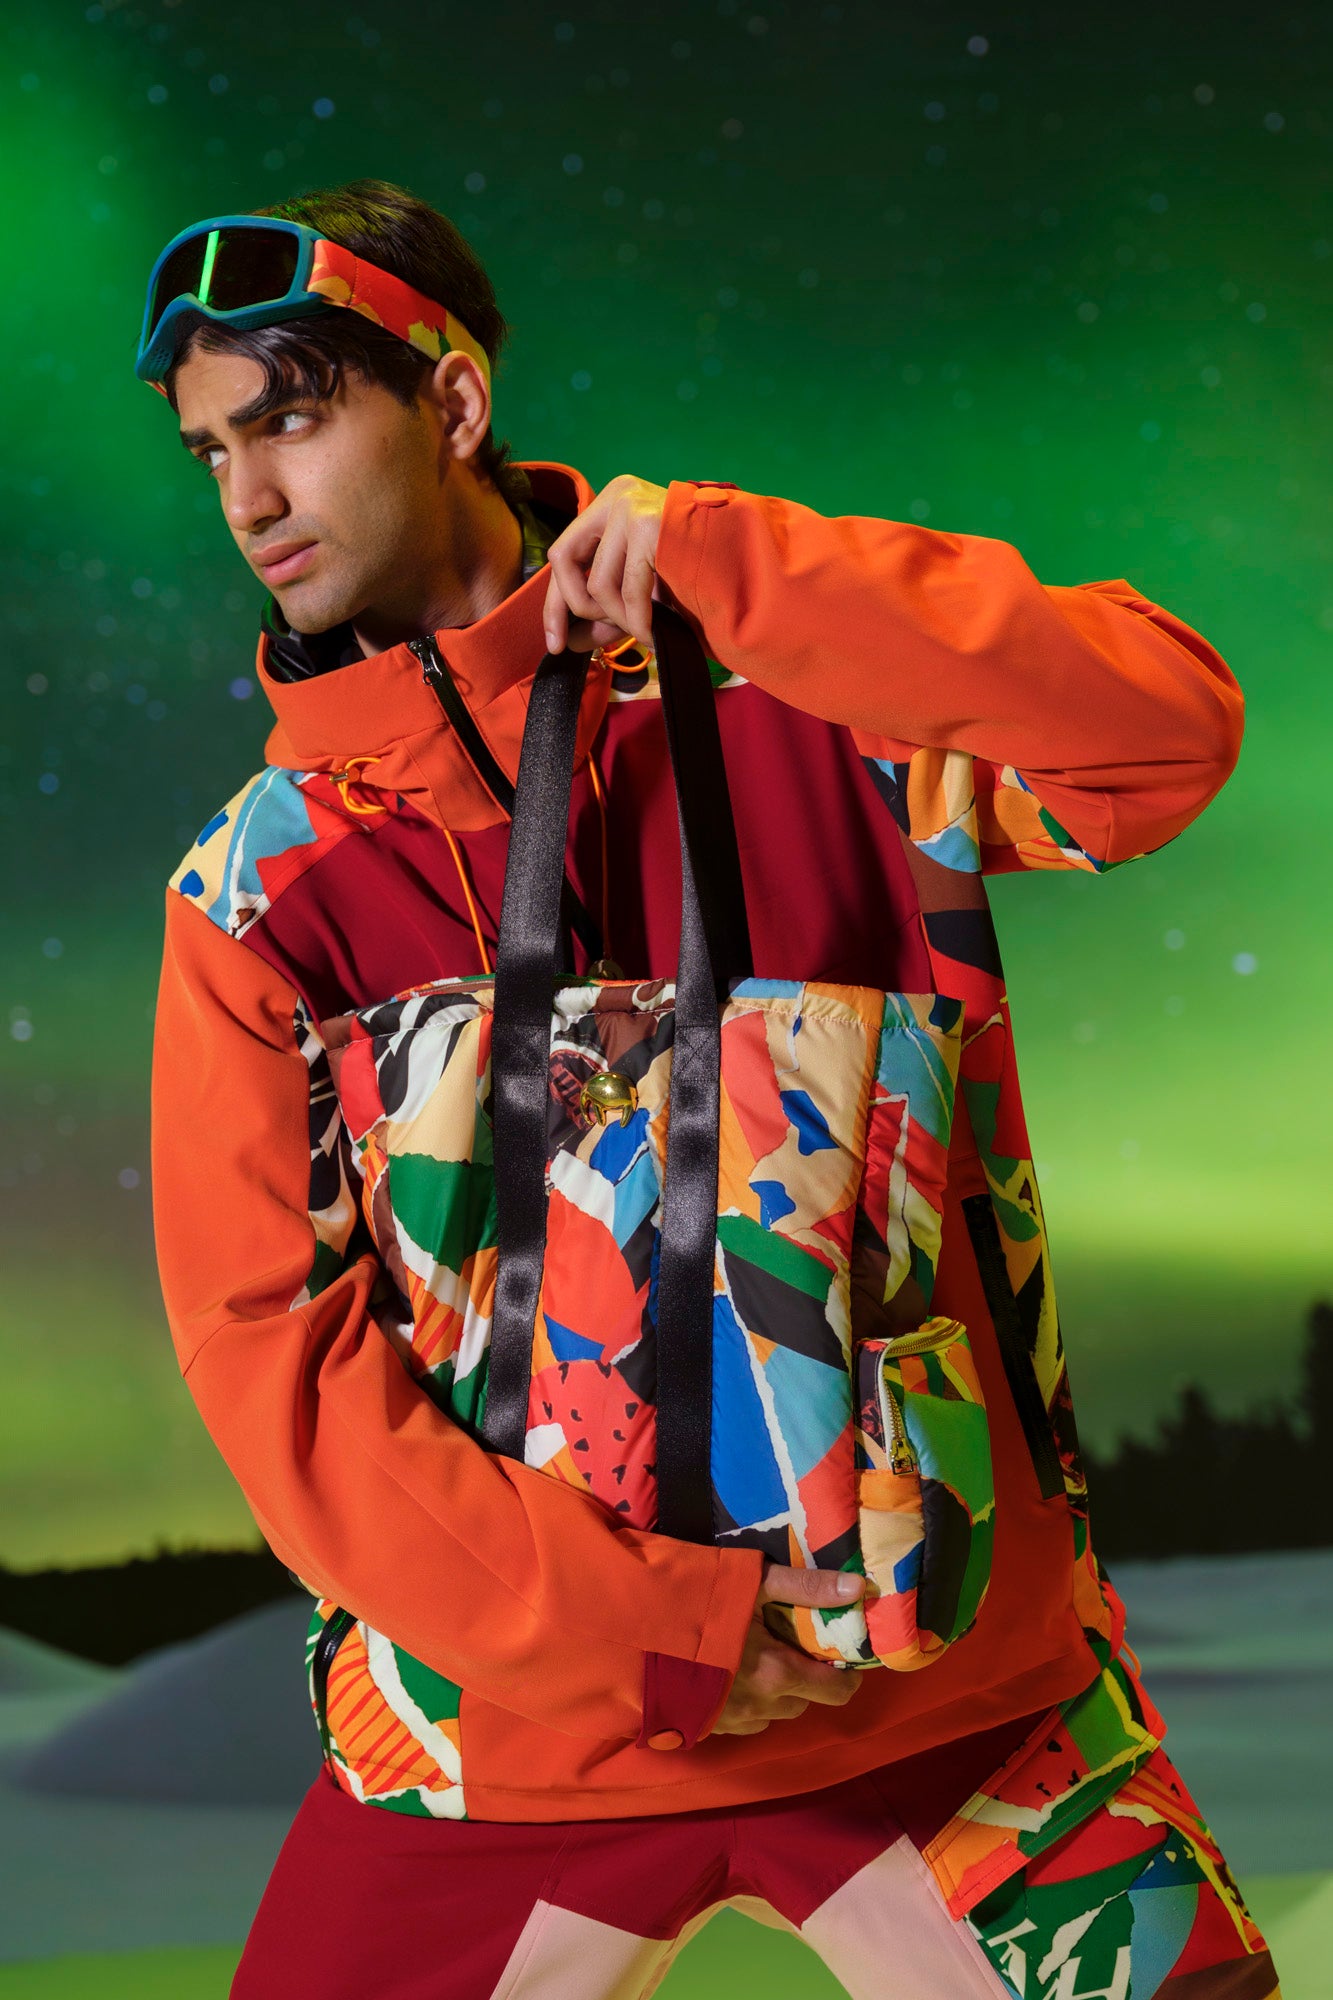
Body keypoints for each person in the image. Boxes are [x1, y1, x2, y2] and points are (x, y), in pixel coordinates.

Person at [143, 179, 1279, 1998]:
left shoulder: (809, 695)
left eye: (289, 420)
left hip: (949, 1697)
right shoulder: (258, 890)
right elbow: (269, 1353)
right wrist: (637, 1631)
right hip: (517, 1736)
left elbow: (1163, 735)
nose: (247, 500)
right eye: (213, 450)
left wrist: (743, 568)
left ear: (451, 402)